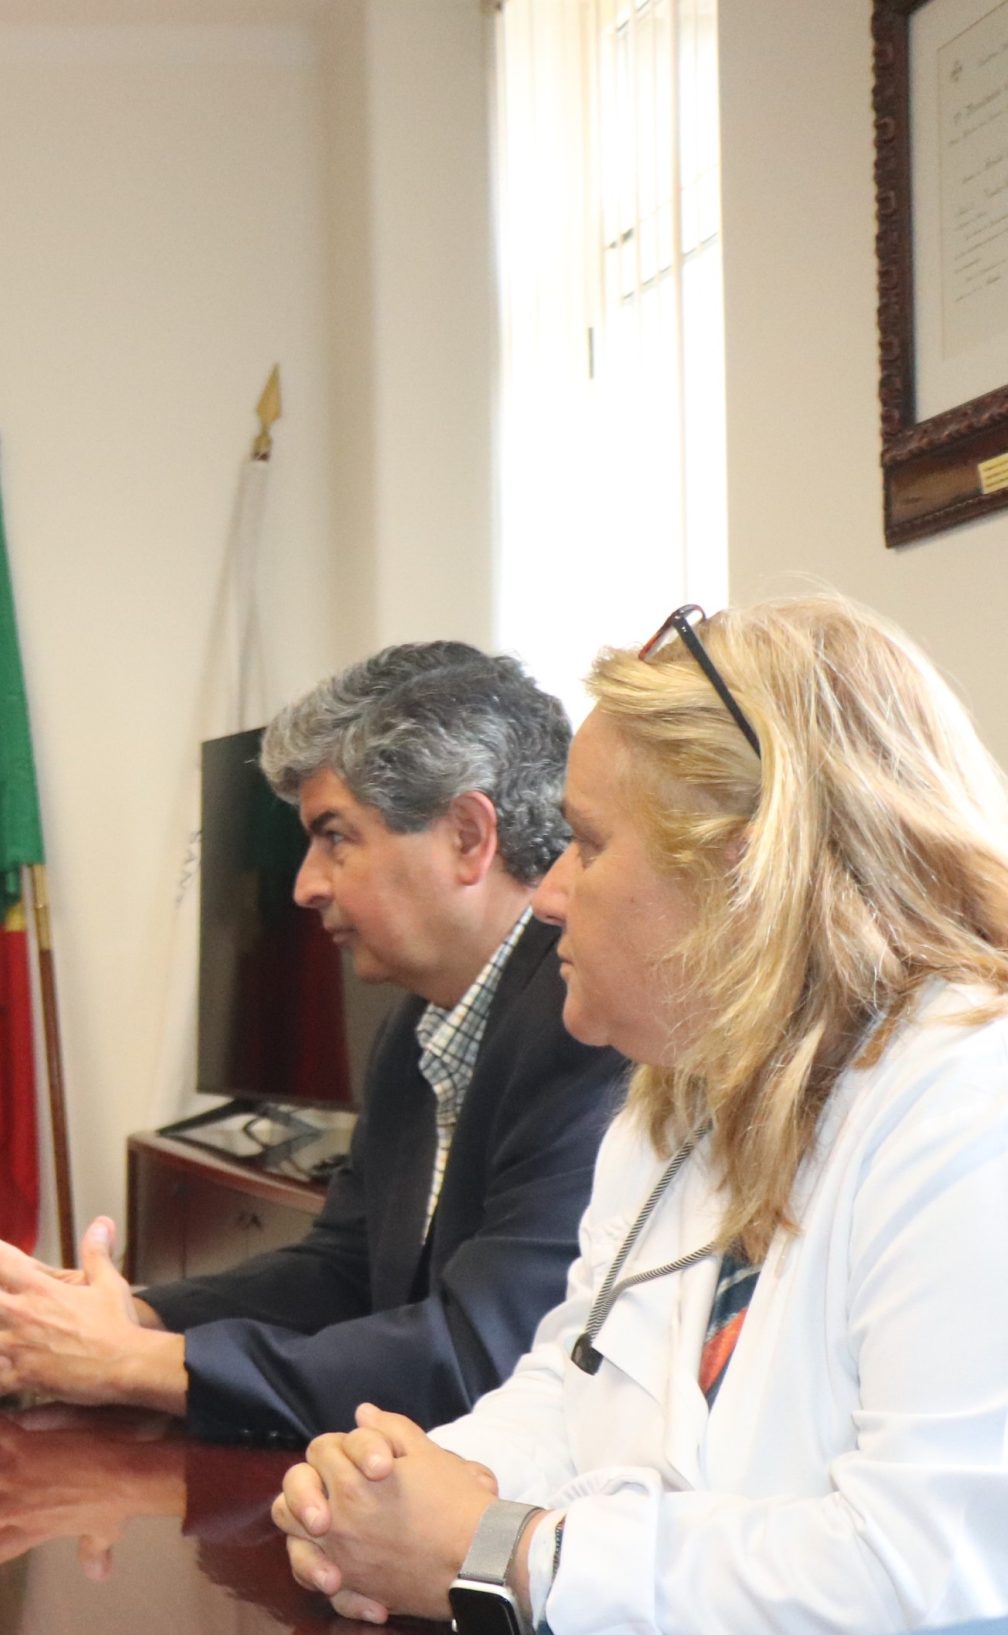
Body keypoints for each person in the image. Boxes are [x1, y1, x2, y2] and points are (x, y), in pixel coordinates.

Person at [273, 596, 1008, 1634]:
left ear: (743, 869)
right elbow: (572, 1380)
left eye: (585, 843)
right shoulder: (676, 1101)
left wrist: (502, 1553)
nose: (548, 894)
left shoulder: (973, 1104)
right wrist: (393, 1491)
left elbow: (928, 1568)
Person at [0, 644, 629, 1442]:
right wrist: (134, 1315)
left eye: (335, 837)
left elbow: (480, 1358)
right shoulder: (416, 1026)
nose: (304, 885)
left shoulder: (587, 1030)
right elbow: (345, 1270)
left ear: (468, 835)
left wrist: (139, 1364)